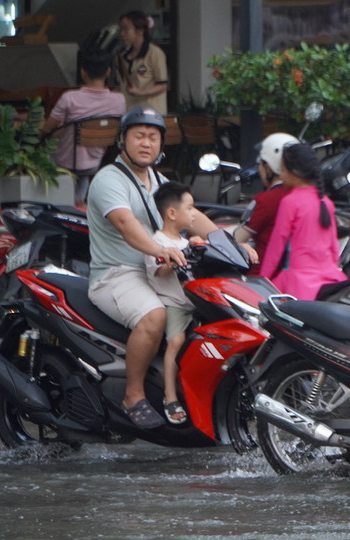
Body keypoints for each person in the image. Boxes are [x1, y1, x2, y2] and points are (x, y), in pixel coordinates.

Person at [86, 106, 251, 429]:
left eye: (153, 137)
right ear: (123, 140)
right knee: (155, 316)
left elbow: (192, 216)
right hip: (117, 273)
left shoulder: (159, 181)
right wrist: (161, 250)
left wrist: (230, 246)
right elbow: (125, 223)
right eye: (139, 136)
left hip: (159, 270)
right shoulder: (108, 179)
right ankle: (134, 394)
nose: (146, 143)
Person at [40, 47, 127, 209]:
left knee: (45, 152)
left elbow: (47, 128)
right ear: (108, 72)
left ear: (83, 72)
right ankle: (79, 199)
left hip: (66, 161)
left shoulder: (69, 98)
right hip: (96, 162)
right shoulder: (119, 100)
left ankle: (65, 200)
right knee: (82, 164)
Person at [259, 142, 344, 299]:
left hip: (299, 284)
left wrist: (262, 280)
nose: (282, 176)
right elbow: (334, 248)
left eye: (283, 170)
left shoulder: (290, 202)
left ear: (295, 172)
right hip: (330, 279)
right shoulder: (325, 201)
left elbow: (276, 247)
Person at [148, 181, 199, 425]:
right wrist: (169, 263)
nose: (193, 213)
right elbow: (158, 272)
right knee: (176, 341)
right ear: (171, 212)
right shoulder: (156, 243)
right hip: (175, 304)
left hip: (197, 302)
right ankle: (170, 395)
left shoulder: (188, 241)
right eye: (190, 207)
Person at [234, 132, 298, 262]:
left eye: (261, 164)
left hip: (265, 273)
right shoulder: (312, 197)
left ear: (268, 167)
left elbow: (237, 239)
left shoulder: (266, 200)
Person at [115, 10, 168, 114]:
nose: (122, 34)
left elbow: (163, 84)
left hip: (151, 113)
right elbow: (119, 85)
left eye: (126, 29)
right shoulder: (122, 55)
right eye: (121, 29)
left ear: (140, 31)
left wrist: (141, 92)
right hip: (129, 112)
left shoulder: (155, 53)